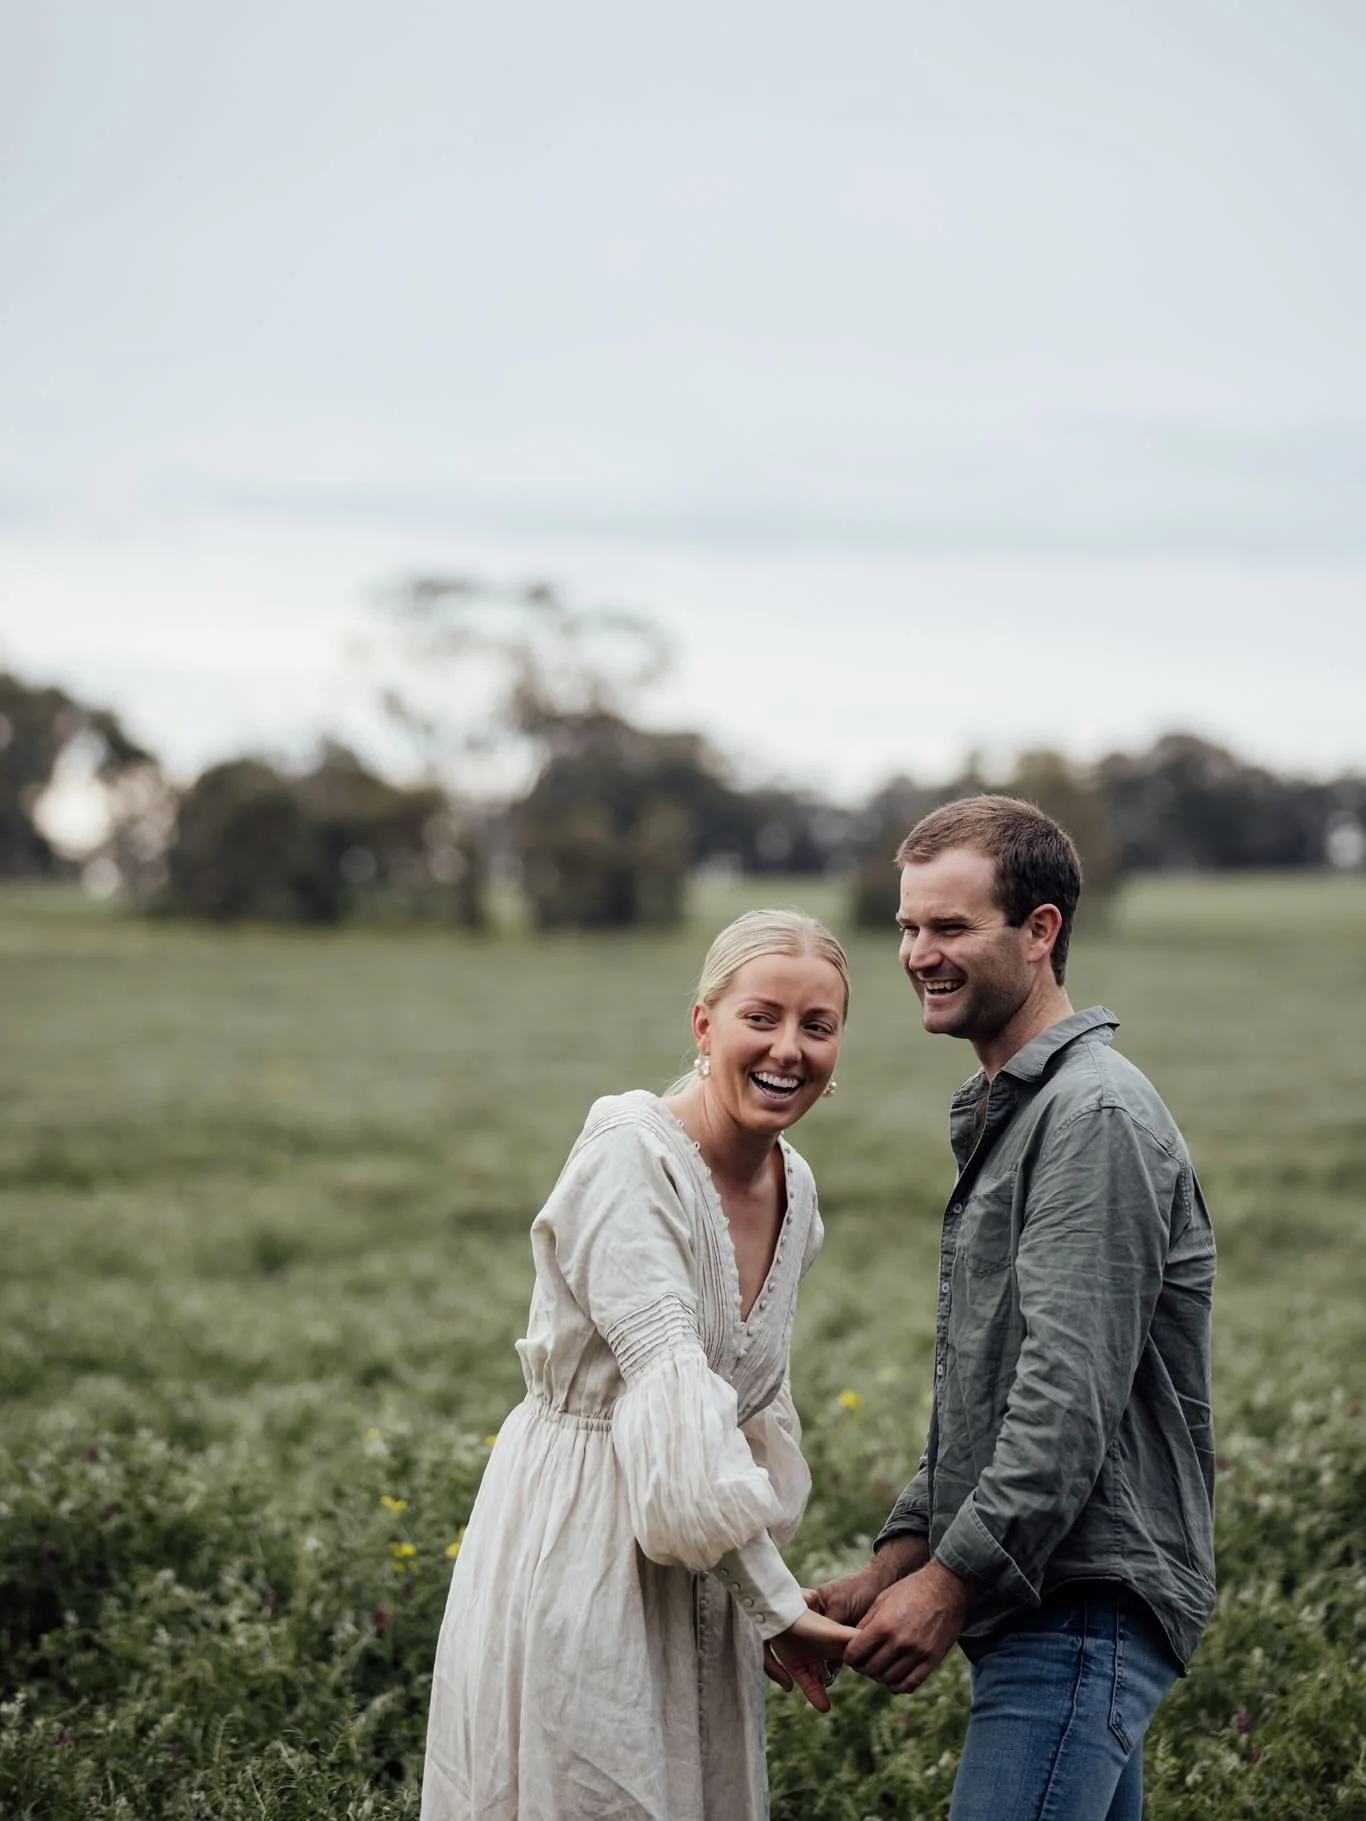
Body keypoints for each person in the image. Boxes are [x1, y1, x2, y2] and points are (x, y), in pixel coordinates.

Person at [811, 796, 1216, 1821]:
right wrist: (897, 1557)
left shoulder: (1093, 1117)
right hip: (1048, 1597)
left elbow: (1062, 1399)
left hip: (1077, 1604)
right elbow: (993, 1388)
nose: (917, 953)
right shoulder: (1021, 1109)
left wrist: (946, 1585)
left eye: (949, 927)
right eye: (907, 926)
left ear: (1039, 932)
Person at [422, 909, 856, 1821]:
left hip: (706, 1576)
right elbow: (668, 1404)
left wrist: (756, 1591)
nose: (788, 1048)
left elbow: (744, 1418)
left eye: (816, 1025)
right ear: (704, 1025)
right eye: (761, 1017)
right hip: (581, 1540)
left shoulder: (798, 1188)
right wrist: (777, 1605)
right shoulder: (629, 1156)